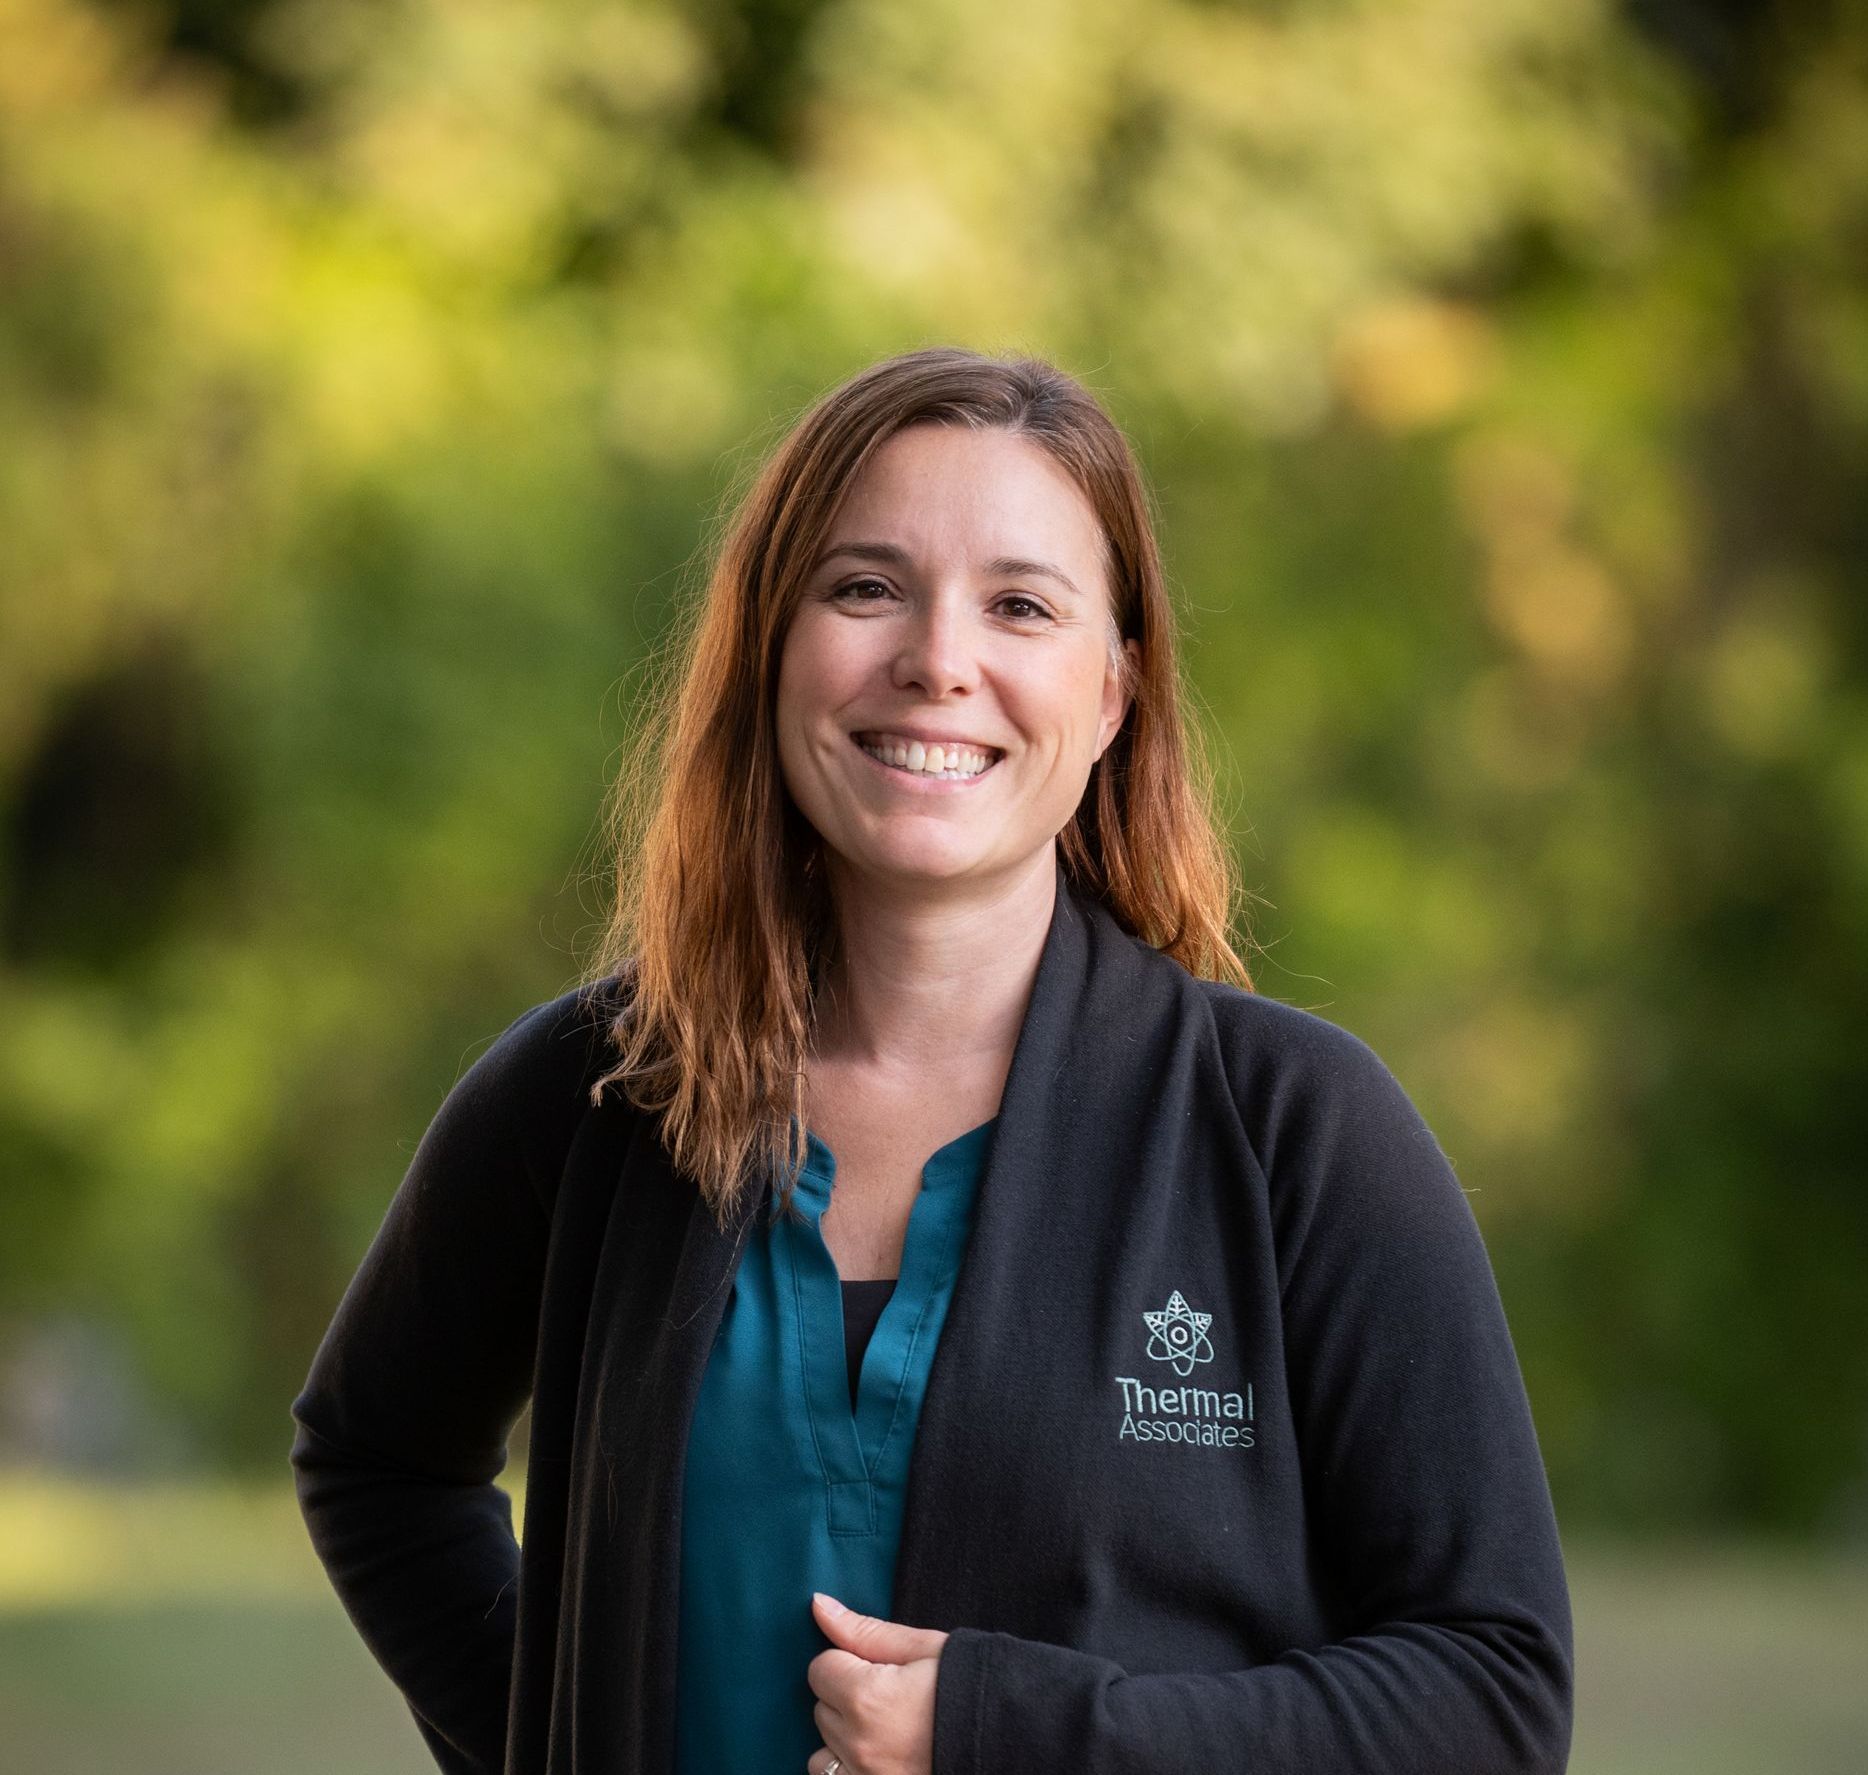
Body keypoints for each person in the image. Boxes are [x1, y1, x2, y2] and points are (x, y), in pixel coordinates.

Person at [291, 346, 1574, 1775]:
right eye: (865, 589)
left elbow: (1491, 1692)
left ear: (1112, 695)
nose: (937, 660)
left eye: (1020, 605)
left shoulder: (1293, 1133)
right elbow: (376, 1462)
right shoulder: (597, 1097)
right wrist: (564, 1735)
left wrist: (1015, 1734)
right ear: (772, 646)